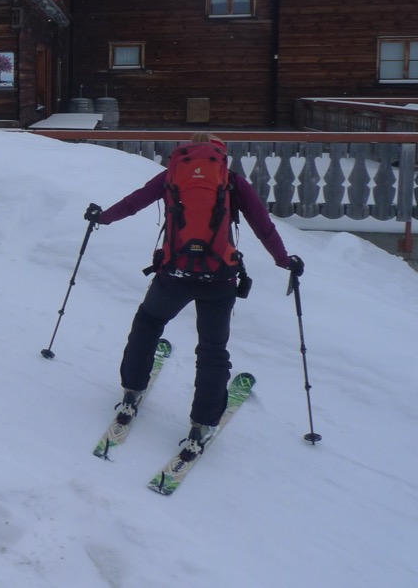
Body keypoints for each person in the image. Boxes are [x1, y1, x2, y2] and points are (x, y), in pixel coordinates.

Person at [86, 132, 305, 461]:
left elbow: (133, 203)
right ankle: (202, 423)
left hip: (175, 273)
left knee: (148, 323)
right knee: (212, 349)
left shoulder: (172, 176)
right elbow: (263, 225)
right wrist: (284, 261)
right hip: (220, 277)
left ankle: (132, 390)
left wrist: (101, 217)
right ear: (220, 154)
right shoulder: (231, 181)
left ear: (185, 152)